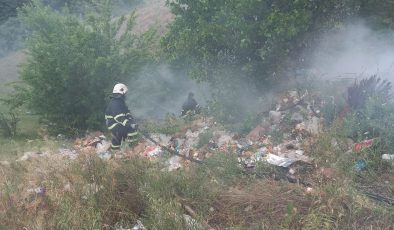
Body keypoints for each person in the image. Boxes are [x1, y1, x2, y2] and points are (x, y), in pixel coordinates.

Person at [105, 83, 139, 151]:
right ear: (121, 92)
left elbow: (127, 112)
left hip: (117, 123)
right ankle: (131, 148)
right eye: (125, 93)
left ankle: (130, 147)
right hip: (112, 124)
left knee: (128, 130)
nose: (126, 95)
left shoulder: (120, 102)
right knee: (126, 130)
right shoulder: (115, 103)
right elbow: (118, 117)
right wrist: (128, 124)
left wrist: (130, 120)